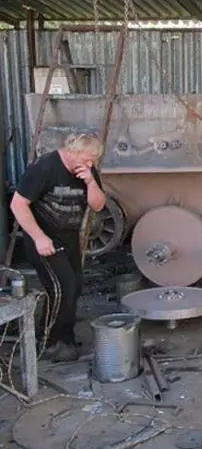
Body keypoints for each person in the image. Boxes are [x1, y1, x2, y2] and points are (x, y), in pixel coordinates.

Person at [10, 132, 106, 362]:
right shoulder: (44, 168)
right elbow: (18, 204)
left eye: (93, 160)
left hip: (69, 238)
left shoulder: (87, 170)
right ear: (71, 151)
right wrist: (39, 237)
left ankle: (66, 338)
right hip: (43, 239)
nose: (89, 164)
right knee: (62, 287)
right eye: (86, 158)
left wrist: (91, 182)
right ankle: (48, 342)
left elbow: (98, 205)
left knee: (75, 287)